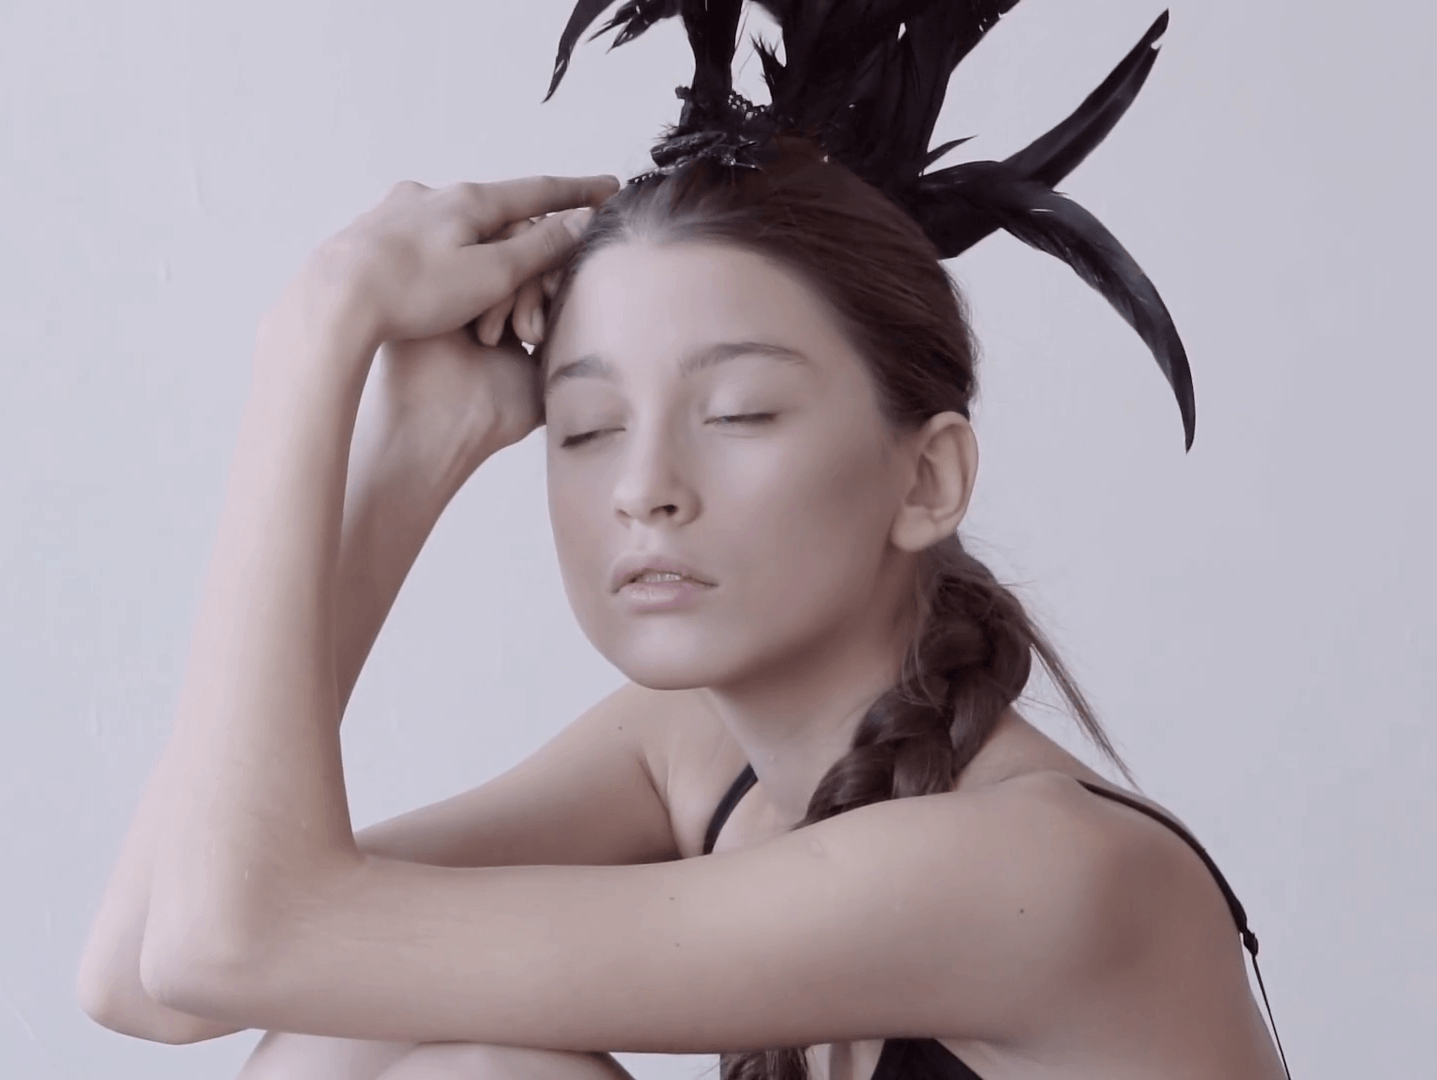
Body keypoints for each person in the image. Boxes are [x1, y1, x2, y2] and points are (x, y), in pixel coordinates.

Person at [77, 4, 1290, 1078]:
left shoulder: (1039, 873)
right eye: (588, 426)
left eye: (738, 414)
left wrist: (314, 346)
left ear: (928, 477)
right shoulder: (692, 756)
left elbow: (227, 937)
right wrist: (406, 461)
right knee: (414, 1046)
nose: (644, 489)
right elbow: (146, 970)